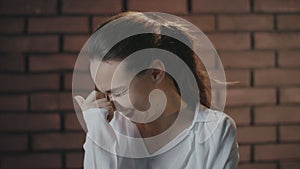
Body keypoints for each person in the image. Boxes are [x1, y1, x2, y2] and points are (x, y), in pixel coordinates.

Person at [74, 11, 239, 169]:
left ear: (155, 72)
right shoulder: (110, 127)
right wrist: (97, 128)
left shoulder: (216, 130)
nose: (111, 105)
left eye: (118, 92)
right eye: (106, 93)